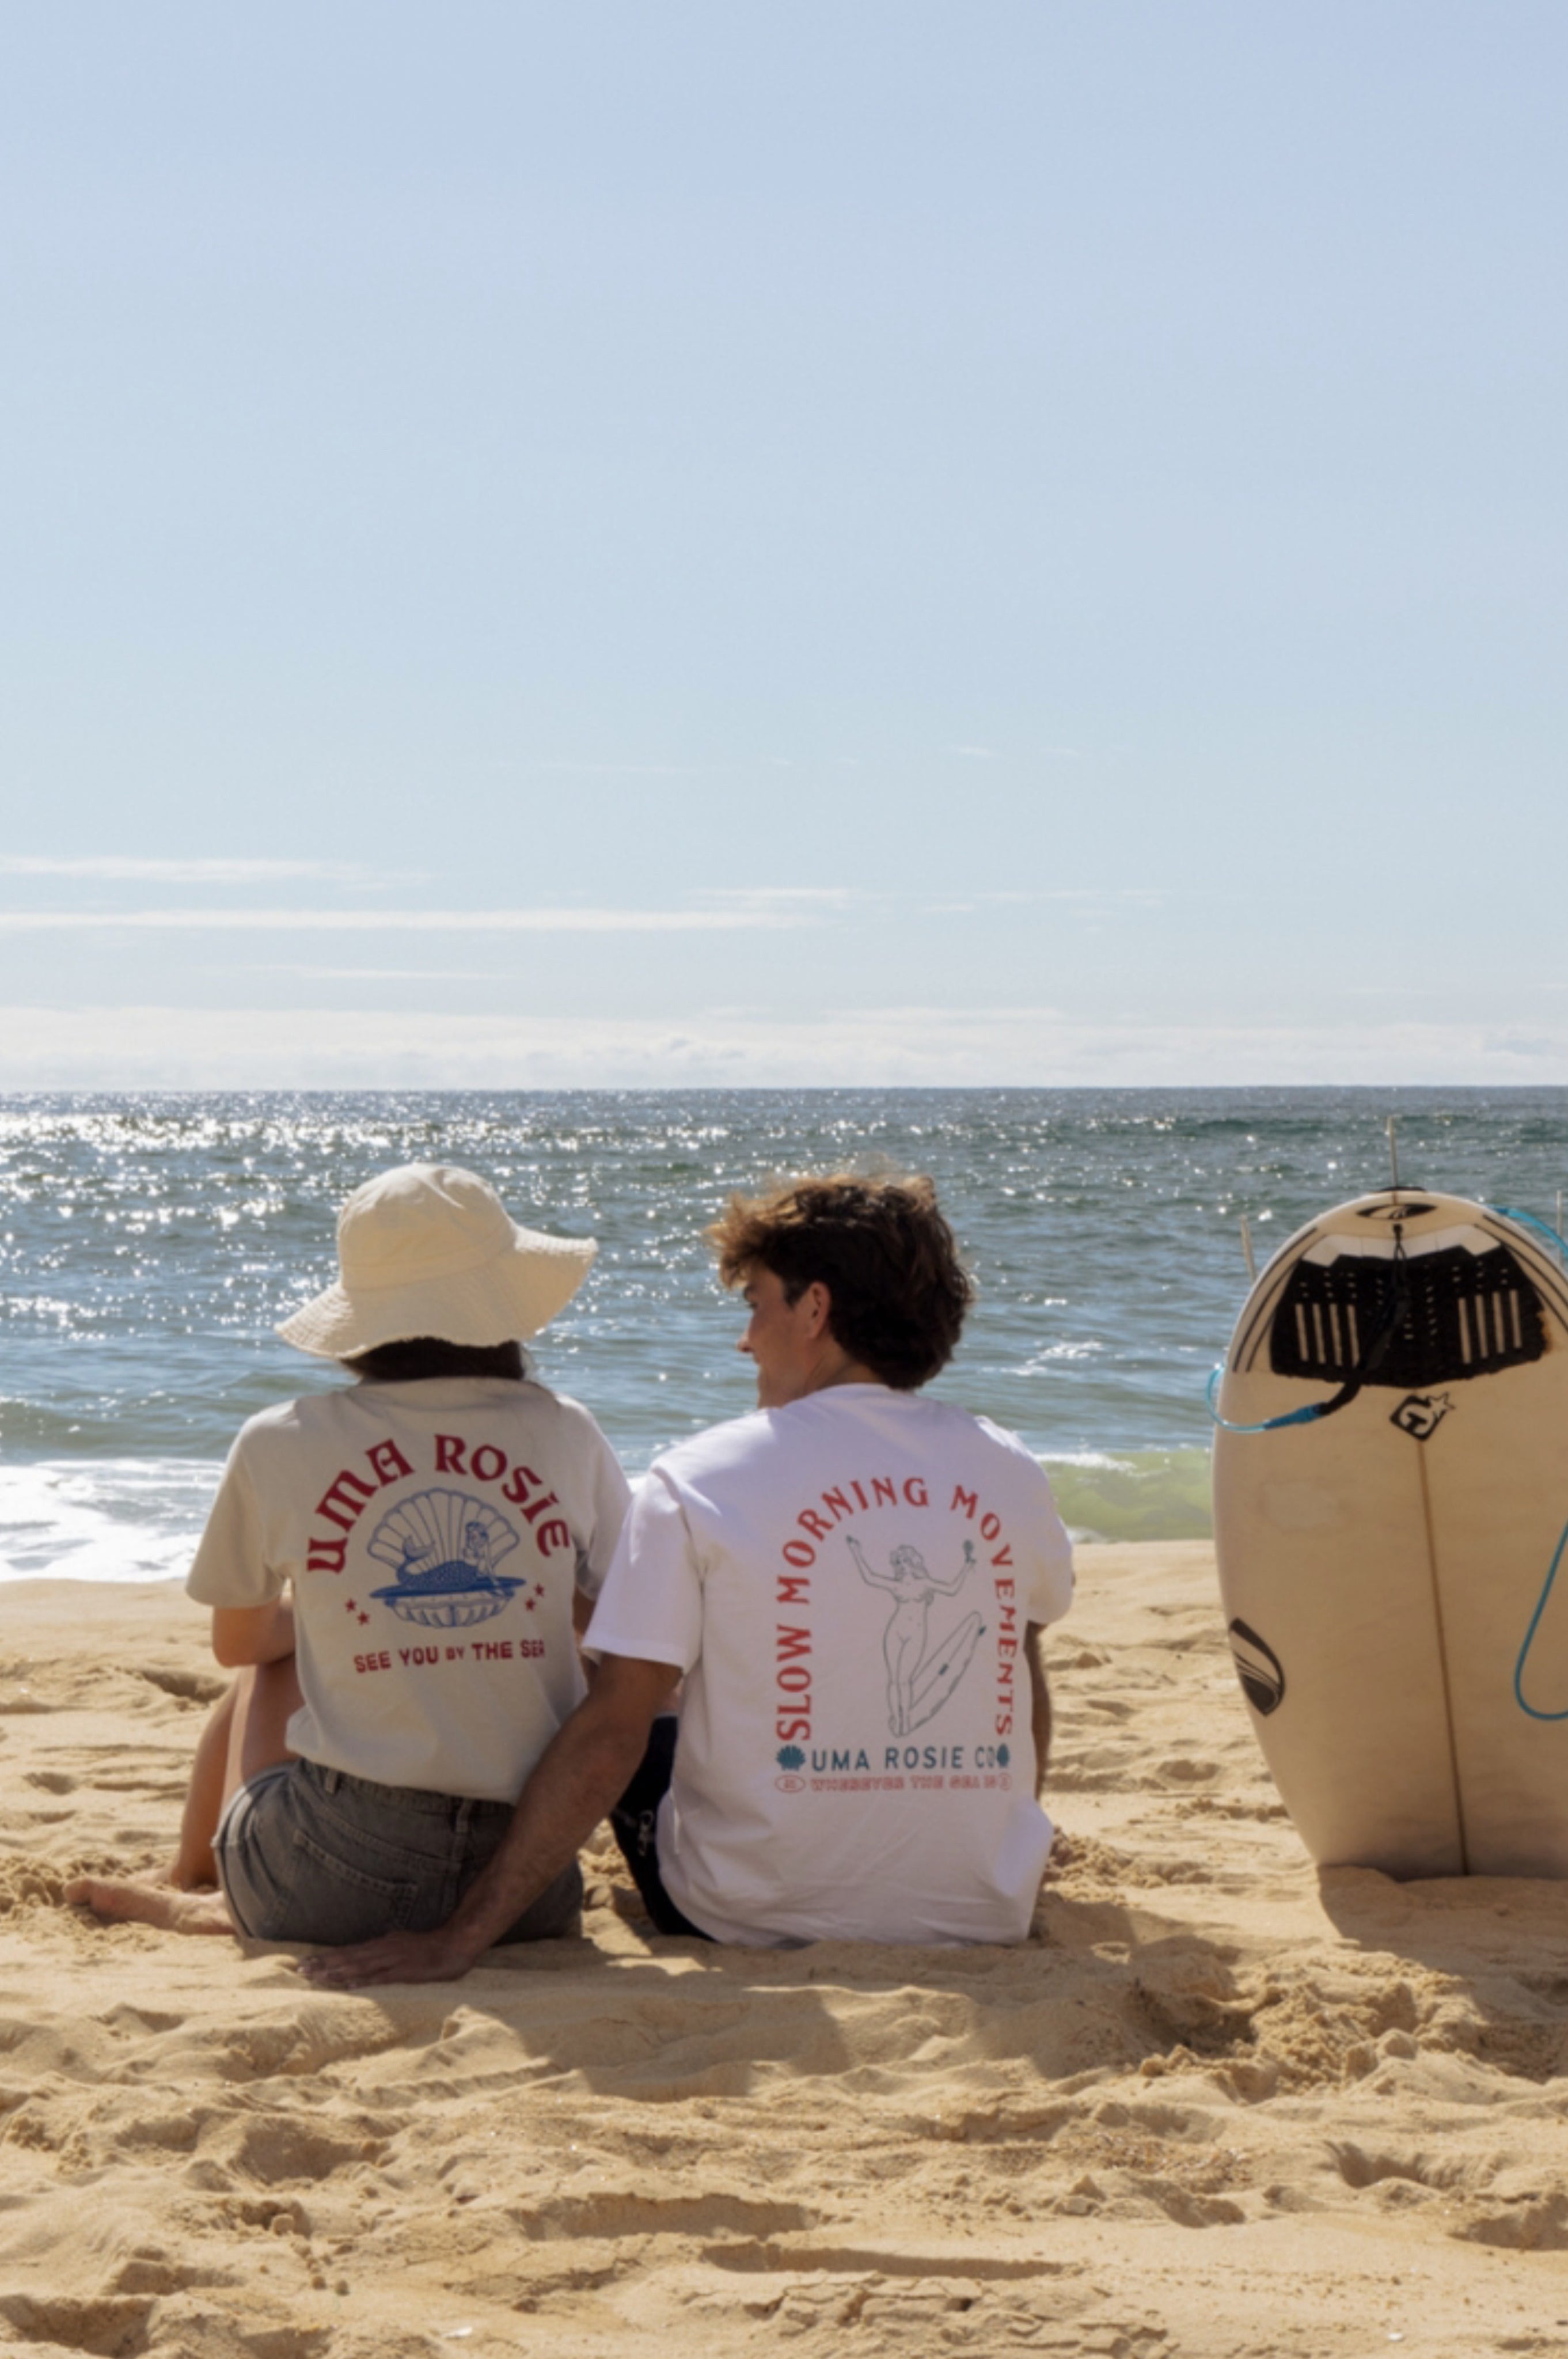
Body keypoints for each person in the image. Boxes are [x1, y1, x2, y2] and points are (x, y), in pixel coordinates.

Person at [301, 1171, 1073, 1987]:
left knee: (630, 1694)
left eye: (756, 1305)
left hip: (747, 1916)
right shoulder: (1009, 1468)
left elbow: (613, 1736)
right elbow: (1019, 1675)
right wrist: (1007, 1845)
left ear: (814, 1311)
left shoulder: (701, 1478)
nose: (746, 1339)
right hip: (985, 1909)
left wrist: (460, 1939)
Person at [68, 1162, 629, 1945]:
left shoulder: (281, 1439)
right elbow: (623, 1630)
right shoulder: (567, 1431)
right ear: (504, 1301)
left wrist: (337, 1602)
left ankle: (198, 1879)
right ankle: (198, 1878)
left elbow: (236, 1642)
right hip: (525, 1889)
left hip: (327, 1881)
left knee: (275, 1659)